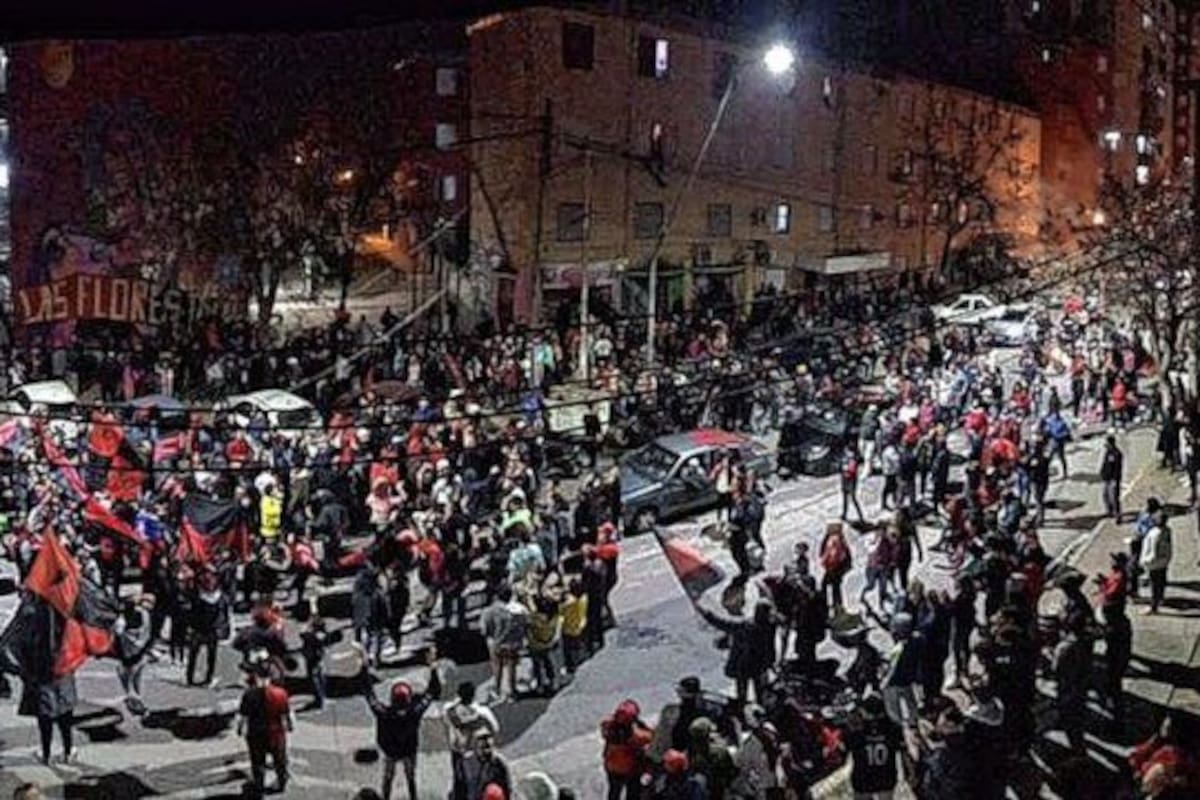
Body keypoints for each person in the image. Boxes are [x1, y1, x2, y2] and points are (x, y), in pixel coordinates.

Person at [357, 644, 442, 800]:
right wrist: (433, 666)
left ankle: (386, 797)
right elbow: (433, 691)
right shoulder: (414, 712)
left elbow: (368, 693)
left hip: (390, 751)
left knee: (388, 777)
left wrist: (364, 666)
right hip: (409, 750)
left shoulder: (383, 713)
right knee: (411, 777)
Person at [696, 601, 777, 705]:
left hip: (744, 666)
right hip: (760, 666)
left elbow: (720, 623)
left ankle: (743, 709)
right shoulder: (770, 626)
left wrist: (705, 612)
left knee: (742, 695)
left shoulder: (744, 626)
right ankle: (761, 709)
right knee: (762, 693)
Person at [237, 655, 294, 797]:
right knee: (280, 759)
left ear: (256, 676)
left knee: (258, 762)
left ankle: (259, 785)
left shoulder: (249, 694)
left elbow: (244, 716)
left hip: (256, 732)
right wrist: (290, 726)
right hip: (275, 732)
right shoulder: (280, 693)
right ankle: (282, 782)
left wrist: (240, 729)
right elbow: (286, 714)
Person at [844, 694, 903, 800]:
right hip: (886, 775)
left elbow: (847, 748)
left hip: (862, 777)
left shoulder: (857, 730)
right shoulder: (893, 728)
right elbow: (900, 750)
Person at [444, 681, 500, 791]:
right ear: (474, 695)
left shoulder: (449, 711)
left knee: (459, 780)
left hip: (458, 751)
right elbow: (495, 728)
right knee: (479, 780)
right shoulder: (482, 713)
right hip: (477, 751)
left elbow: (449, 718)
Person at [481, 585, 527, 702]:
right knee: (512, 668)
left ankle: (497, 689)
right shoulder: (515, 611)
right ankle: (512, 691)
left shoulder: (489, 611)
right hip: (512, 643)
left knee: (497, 666)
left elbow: (484, 630)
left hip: (496, 643)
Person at [601, 699, 654, 799]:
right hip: (631, 769)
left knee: (614, 792)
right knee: (633, 793)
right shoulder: (635, 735)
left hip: (612, 767)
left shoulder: (609, 728)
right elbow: (650, 737)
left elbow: (604, 726)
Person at [299, 613, 341, 710]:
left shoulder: (309, 634)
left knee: (317, 680)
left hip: (312, 658)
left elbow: (302, 633)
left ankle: (320, 699)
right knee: (318, 680)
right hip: (315, 659)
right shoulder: (318, 635)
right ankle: (321, 699)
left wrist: (308, 625)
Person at [455, 731, 512, 800]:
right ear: (475, 747)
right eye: (482, 747)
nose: (486, 751)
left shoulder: (499, 764)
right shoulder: (465, 763)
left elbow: (507, 789)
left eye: (488, 747)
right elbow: (459, 787)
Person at [1140, 510, 1173, 614]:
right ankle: (1160, 599)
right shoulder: (1167, 530)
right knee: (1161, 582)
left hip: (1154, 564)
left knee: (1154, 585)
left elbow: (1153, 551)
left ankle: (1153, 607)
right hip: (1164, 561)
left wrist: (1145, 561)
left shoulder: (1155, 534)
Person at [819, 521, 851, 609]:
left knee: (832, 586)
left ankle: (835, 605)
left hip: (836, 567)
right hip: (832, 567)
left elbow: (838, 554)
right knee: (830, 585)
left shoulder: (837, 539)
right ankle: (834, 604)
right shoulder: (834, 538)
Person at [1100, 431, 1123, 520]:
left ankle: (1118, 515)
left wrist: (1115, 480)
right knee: (1105, 496)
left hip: (1113, 479)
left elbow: (1117, 468)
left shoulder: (1117, 454)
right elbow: (1105, 464)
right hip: (1106, 478)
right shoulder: (1108, 452)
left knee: (1114, 497)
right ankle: (1109, 511)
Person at [840, 443, 866, 524]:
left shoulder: (853, 459)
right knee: (845, 497)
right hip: (845, 479)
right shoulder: (846, 457)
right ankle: (844, 514)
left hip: (851, 480)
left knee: (853, 498)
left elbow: (852, 470)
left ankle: (860, 516)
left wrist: (846, 468)